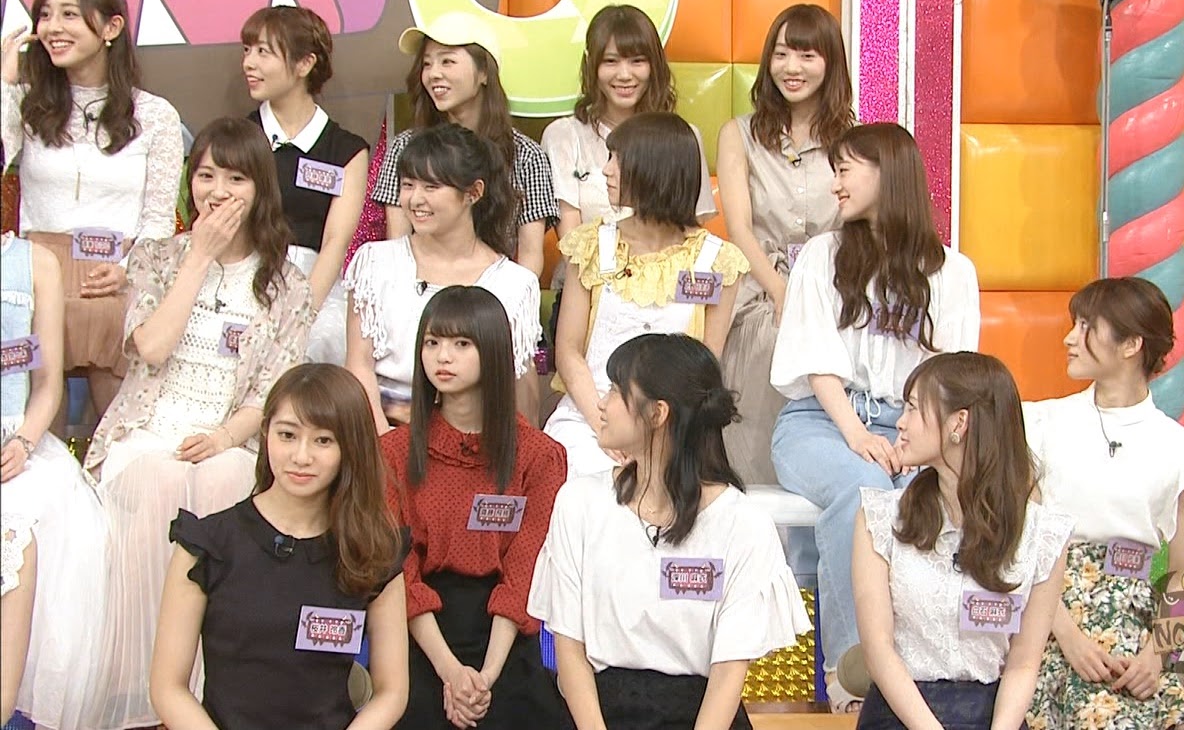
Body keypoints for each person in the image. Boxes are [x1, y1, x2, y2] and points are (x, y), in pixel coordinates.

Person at [84, 117, 313, 729]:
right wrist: (198, 257)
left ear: (260, 187)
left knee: (227, 484)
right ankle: (142, 692)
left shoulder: (287, 284)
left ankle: (208, 694)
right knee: (157, 481)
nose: (217, 191)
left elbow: (273, 394)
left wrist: (223, 438)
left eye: (235, 178)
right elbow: (151, 347)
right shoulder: (157, 258)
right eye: (206, 175)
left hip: (227, 437)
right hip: (148, 431)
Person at [770, 122, 980, 712]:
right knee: (865, 489)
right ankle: (852, 671)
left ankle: (925, 668)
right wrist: (858, 434)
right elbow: (817, 367)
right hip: (821, 420)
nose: (835, 184)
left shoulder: (952, 271)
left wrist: (916, 443)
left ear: (889, 173)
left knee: (927, 493)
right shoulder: (822, 257)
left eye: (845, 170)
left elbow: (953, 376)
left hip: (916, 426)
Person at [528, 333, 810, 729]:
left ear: (657, 413)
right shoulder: (578, 502)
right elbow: (569, 650)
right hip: (598, 714)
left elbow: (729, 674)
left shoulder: (744, 524)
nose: (601, 404)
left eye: (616, 390)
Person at [149, 363, 410, 729]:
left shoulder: (373, 551)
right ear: (266, 433)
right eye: (287, 435)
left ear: (351, 447)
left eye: (323, 441)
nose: (301, 456)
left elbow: (392, 691)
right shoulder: (207, 544)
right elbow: (168, 688)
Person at [1023, 277, 1184, 730]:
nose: (1069, 338)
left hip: (1144, 627)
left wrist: (1157, 654)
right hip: (1053, 621)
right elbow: (1023, 546)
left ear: (1132, 344)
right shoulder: (1038, 424)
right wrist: (1068, 636)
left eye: (1086, 326)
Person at [381, 287, 571, 729]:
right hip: (419, 631)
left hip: (504, 634)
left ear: (493, 350)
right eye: (432, 342)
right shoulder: (391, 453)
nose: (442, 357)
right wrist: (450, 671)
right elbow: (399, 568)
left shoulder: (540, 457)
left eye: (461, 343)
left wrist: (485, 676)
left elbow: (524, 567)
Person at [1, 0, 184, 422]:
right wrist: (5, 84)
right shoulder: (26, 104)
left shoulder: (154, 114)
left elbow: (159, 218)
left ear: (111, 27)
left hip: (116, 278)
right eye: (45, 15)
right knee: (36, 423)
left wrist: (127, 270)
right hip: (37, 275)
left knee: (117, 425)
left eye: (69, 14)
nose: (52, 28)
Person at [851, 352, 1072, 730]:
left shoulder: (1042, 534)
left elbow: (1023, 664)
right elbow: (878, 649)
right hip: (901, 715)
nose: (900, 423)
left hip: (993, 715)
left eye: (913, 408)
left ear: (959, 422)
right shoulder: (880, 518)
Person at [544, 112, 748, 477]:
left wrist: (655, 437)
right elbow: (569, 352)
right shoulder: (590, 245)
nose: (605, 171)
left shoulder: (718, 261)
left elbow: (706, 364)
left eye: (617, 160)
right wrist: (607, 427)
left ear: (655, 169)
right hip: (590, 419)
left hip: (671, 427)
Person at [716, 3, 853, 485]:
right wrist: (782, 293)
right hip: (762, 286)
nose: (791, 68)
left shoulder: (854, 140)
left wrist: (814, 297)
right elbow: (739, 229)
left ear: (830, 62)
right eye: (781, 54)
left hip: (834, 287)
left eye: (806, 55)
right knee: (769, 345)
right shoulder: (739, 134)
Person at [344, 124, 541, 432]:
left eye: (431, 187)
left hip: (472, 434)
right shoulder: (375, 263)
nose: (415, 199)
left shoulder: (513, 284)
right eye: (408, 185)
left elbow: (515, 390)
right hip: (380, 429)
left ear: (473, 192)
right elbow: (359, 365)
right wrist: (384, 442)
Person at [0, 232, 107, 730]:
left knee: (31, 523)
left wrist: (22, 442)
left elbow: (46, 385)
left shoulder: (36, 264)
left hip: (17, 443)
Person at [240, 5, 369, 365]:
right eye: (247, 50)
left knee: (321, 343)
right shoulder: (238, 139)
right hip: (242, 278)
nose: (249, 63)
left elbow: (335, 242)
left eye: (263, 52)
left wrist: (300, 313)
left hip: (315, 287)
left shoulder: (346, 150)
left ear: (304, 64)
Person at [370, 31, 557, 279]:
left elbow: (530, 256)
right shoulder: (405, 147)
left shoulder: (527, 156)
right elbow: (398, 243)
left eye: (447, 61)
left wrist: (508, 298)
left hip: (494, 293)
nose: (434, 74)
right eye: (427, 64)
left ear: (484, 72)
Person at [542, 4, 715, 239]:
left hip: (666, 262)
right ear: (591, 64)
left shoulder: (684, 137)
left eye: (637, 61)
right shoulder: (563, 136)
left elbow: (691, 233)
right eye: (610, 61)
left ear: (654, 65)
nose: (624, 75)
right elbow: (571, 242)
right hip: (588, 262)